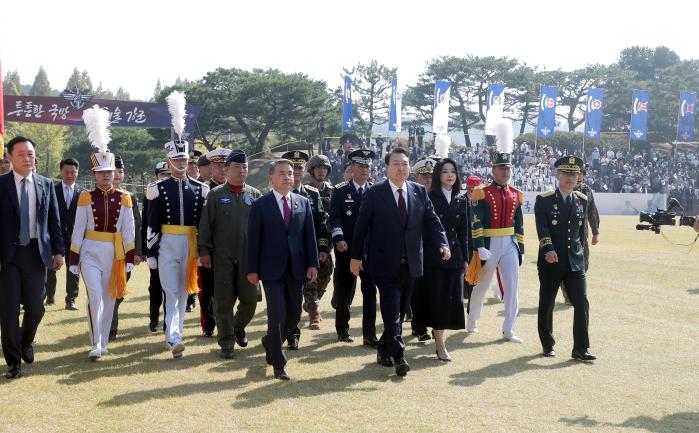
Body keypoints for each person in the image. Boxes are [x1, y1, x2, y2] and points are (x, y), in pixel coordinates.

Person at [350, 147, 449, 377]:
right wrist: (355, 257)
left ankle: (384, 350)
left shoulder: (418, 192)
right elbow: (361, 228)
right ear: (387, 167)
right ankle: (399, 356)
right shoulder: (375, 193)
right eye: (396, 164)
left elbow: (432, 221)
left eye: (404, 164)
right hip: (383, 264)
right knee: (391, 311)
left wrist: (442, 243)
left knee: (400, 312)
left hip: (411, 263)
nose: (401, 168)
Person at [246, 159, 320, 380]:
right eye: (282, 173)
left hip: (296, 268)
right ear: (271, 178)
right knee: (276, 314)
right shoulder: (261, 204)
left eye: (290, 173)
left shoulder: (302, 202)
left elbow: (309, 236)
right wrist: (252, 269)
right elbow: (253, 240)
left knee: (294, 315)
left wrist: (312, 263)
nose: (287, 176)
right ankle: (278, 363)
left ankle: (271, 342)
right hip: (270, 270)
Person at [0, 136, 65, 379]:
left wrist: (59, 251)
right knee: (8, 312)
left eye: (30, 154)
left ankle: (25, 342)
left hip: (36, 254)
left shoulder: (45, 184)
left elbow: (54, 221)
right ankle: (13, 363)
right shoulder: (1, 184)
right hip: (7, 257)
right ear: (10, 157)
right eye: (21, 154)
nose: (27, 159)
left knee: (36, 308)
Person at [69, 142, 135, 360]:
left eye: (110, 171)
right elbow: (78, 229)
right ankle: (95, 342)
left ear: (115, 172)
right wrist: (74, 259)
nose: (106, 175)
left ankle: (103, 342)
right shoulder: (85, 196)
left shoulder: (125, 197)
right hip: (90, 252)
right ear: (94, 174)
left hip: (114, 253)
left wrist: (130, 256)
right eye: (101, 172)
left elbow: (129, 229)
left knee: (109, 300)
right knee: (95, 296)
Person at [146, 139, 209, 358]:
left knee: (183, 293)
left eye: (184, 158)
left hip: (190, 244)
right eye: (176, 158)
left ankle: (176, 335)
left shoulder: (201, 189)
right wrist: (151, 252)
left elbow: (203, 225)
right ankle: (172, 336)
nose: (181, 162)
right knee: (170, 291)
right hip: (167, 244)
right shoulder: (157, 189)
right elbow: (152, 223)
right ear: (168, 160)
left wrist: (203, 252)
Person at [199, 149, 261, 359]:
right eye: (237, 167)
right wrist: (204, 251)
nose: (242, 171)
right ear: (227, 169)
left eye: (245, 167)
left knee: (250, 300)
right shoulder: (215, 195)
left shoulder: (255, 195)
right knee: (223, 301)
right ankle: (226, 342)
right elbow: (205, 226)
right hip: (222, 256)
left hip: (249, 257)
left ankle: (237, 327)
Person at [535, 156, 596, 362]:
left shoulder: (582, 199)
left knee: (582, 303)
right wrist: (548, 249)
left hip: (574, 262)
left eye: (574, 174)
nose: (571, 177)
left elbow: (581, 233)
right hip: (551, 261)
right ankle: (548, 344)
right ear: (558, 175)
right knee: (547, 303)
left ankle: (581, 348)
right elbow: (542, 227)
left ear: (579, 176)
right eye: (566, 173)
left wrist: (582, 255)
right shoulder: (544, 199)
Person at [412, 158, 470, 361]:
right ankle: (439, 343)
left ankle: (439, 339)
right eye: (444, 171)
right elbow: (423, 229)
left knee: (452, 301)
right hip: (433, 258)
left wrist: (465, 257)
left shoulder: (461, 200)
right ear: (438, 175)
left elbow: (464, 232)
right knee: (437, 301)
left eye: (453, 171)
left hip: (455, 260)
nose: (449, 175)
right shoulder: (428, 197)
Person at [467, 150, 524, 343]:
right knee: (482, 284)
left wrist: (520, 250)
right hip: (489, 244)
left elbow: (519, 225)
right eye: (501, 168)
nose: (505, 171)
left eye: (507, 168)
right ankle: (472, 319)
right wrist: (479, 246)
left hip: (509, 243)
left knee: (512, 286)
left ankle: (509, 328)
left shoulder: (516, 194)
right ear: (493, 170)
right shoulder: (482, 192)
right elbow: (476, 222)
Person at [280, 151, 328, 348]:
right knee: (286, 295)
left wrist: (321, 246)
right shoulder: (278, 192)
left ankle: (295, 330)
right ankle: (288, 330)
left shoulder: (312, 194)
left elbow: (319, 222)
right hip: (283, 253)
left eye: (300, 167)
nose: (297, 171)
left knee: (307, 286)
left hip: (305, 250)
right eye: (293, 167)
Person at [330, 149, 378, 346]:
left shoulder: (376, 190)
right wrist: (339, 238)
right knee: (345, 291)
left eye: (367, 166)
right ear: (352, 168)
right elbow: (335, 217)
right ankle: (343, 330)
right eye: (361, 166)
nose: (365, 169)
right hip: (347, 249)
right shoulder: (340, 191)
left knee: (370, 292)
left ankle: (369, 334)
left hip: (370, 250)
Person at [197, 148, 231, 337]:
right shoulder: (202, 190)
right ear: (211, 167)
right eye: (218, 166)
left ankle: (226, 322)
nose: (222, 170)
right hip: (208, 249)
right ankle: (208, 324)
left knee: (228, 289)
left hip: (229, 249)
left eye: (225, 165)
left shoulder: (236, 188)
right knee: (207, 289)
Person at [109, 155, 143, 341]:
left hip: (124, 252)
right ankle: (109, 327)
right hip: (103, 250)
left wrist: (138, 251)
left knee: (119, 291)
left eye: (120, 171)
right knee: (106, 291)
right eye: (114, 170)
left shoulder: (129, 197)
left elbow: (137, 225)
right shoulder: (94, 196)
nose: (117, 174)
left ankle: (110, 322)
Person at [46, 158, 84, 308]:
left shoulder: (83, 193)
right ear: (60, 172)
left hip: (75, 238)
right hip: (55, 236)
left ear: (77, 172)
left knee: (73, 267)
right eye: (66, 172)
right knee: (51, 267)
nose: (69, 175)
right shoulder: (52, 190)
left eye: (72, 172)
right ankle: (49, 296)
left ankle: (71, 299)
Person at [561, 165, 600, 304]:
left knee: (584, 264)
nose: (579, 177)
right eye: (577, 174)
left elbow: (592, 213)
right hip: (566, 237)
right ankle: (568, 295)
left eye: (581, 174)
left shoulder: (587, 192)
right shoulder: (564, 190)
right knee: (566, 266)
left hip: (582, 237)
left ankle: (576, 290)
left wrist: (596, 232)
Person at [305, 154, 335, 329]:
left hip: (327, 240)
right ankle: (313, 312)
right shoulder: (304, 191)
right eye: (318, 168)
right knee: (311, 276)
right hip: (309, 240)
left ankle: (311, 302)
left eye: (324, 168)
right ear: (312, 170)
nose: (322, 171)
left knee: (326, 272)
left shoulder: (333, 191)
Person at [408, 158, 436, 341]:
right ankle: (419, 327)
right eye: (424, 175)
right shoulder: (410, 195)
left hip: (434, 250)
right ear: (416, 176)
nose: (427, 179)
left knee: (433, 290)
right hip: (415, 249)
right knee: (417, 290)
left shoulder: (439, 197)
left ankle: (433, 325)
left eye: (431, 176)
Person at [144, 162, 170, 333]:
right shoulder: (152, 192)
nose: (166, 178)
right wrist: (148, 251)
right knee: (155, 286)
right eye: (163, 175)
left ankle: (169, 323)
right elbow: (146, 223)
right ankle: (154, 318)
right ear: (156, 176)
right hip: (156, 245)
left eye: (169, 174)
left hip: (173, 246)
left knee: (171, 289)